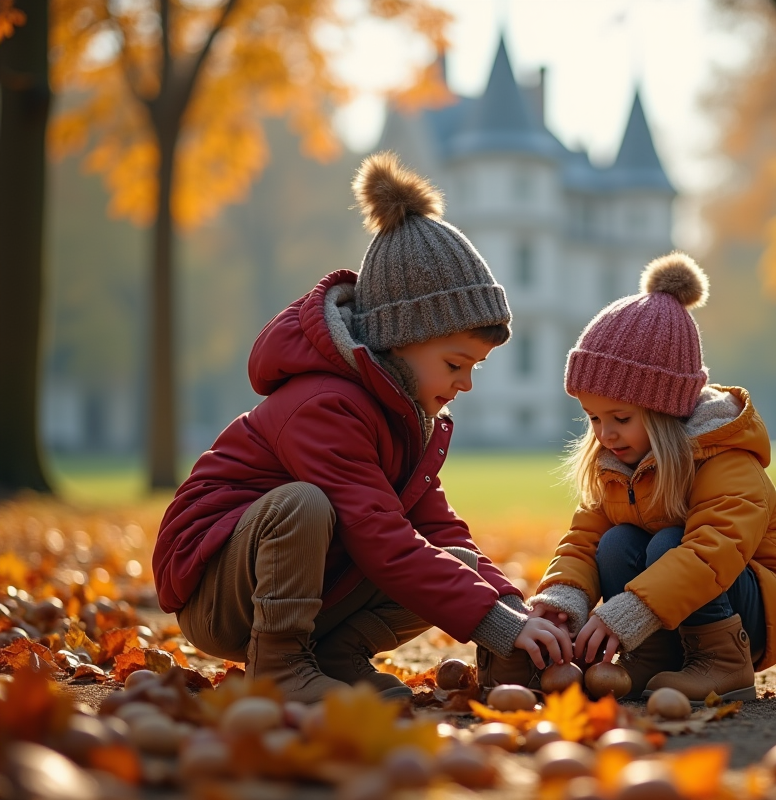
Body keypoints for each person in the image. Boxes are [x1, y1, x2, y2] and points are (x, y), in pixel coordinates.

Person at [152, 152, 572, 704]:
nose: (465, 385)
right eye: (454, 364)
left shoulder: (403, 415)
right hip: (220, 588)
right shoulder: (325, 404)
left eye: (475, 367)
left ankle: (333, 660)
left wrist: (510, 610)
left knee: (454, 562)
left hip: (300, 580)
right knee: (304, 504)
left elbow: (438, 531)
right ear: (401, 336)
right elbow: (380, 537)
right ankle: (278, 666)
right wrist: (495, 622)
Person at [514, 252, 776, 703]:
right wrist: (564, 599)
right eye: (592, 418)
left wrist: (631, 611)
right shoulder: (617, 462)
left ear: (664, 411)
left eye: (619, 416)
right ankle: (654, 658)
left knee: (669, 542)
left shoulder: (725, 454)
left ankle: (722, 663)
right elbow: (584, 540)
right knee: (615, 543)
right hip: (673, 605)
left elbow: (715, 549)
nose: (605, 433)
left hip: (760, 606)